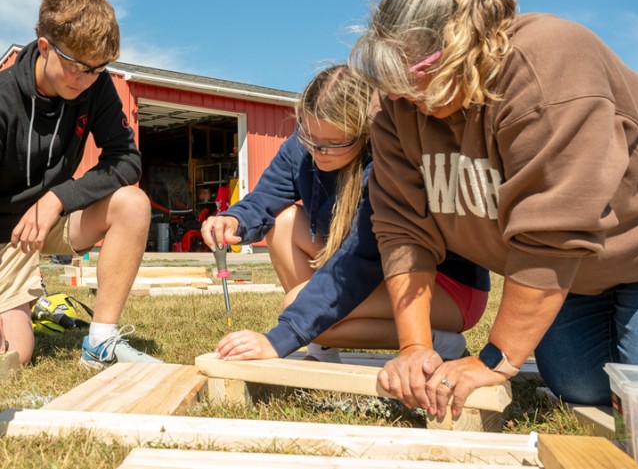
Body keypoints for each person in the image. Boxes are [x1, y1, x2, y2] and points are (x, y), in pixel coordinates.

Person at [350, 0, 638, 421]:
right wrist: (414, 346)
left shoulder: (550, 64)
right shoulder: (397, 107)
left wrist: (496, 359)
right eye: (393, 87)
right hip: (580, 268)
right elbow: (401, 228)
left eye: (415, 83)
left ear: (459, 46)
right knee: (578, 384)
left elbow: (554, 229)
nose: (403, 99)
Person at [206, 65, 489, 363]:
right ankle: (323, 345)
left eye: (332, 144)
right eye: (310, 137)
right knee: (284, 221)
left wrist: (281, 338)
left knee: (298, 306)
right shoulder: (302, 146)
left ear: (362, 133)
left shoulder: (385, 163)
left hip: (443, 286)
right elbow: (265, 197)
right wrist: (235, 219)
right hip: (371, 271)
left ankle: (439, 343)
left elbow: (360, 261)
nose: (317, 151)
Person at [0, 0, 161, 369]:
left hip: (54, 219)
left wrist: (58, 198)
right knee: (14, 356)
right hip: (1, 235)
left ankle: (99, 343)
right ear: (45, 46)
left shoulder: (94, 86)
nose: (86, 79)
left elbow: (126, 160)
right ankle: (7, 301)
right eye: (77, 67)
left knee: (132, 203)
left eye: (98, 69)